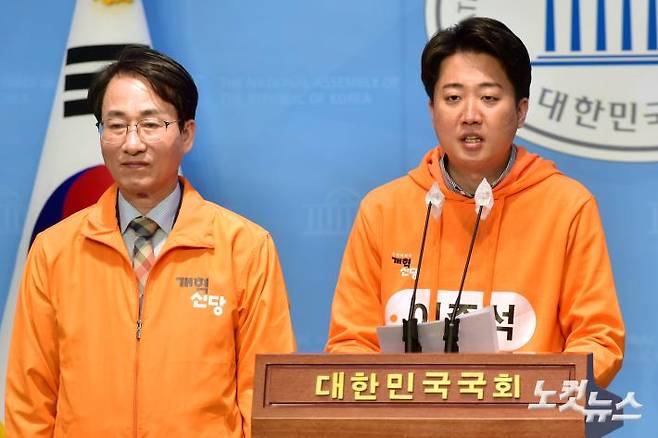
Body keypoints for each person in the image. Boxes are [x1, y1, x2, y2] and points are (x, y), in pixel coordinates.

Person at [5, 46, 295, 437]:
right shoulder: (54, 250)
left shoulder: (245, 248)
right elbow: (30, 401)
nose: (132, 144)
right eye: (116, 125)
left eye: (150, 124)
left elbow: (266, 400)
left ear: (187, 134)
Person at [325, 17, 624, 387]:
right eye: (453, 98)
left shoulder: (566, 207)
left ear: (521, 111)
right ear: (432, 110)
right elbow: (350, 343)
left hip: (526, 413)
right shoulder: (384, 209)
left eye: (489, 98)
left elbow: (598, 339)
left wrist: (535, 392)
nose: (470, 115)